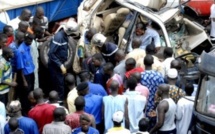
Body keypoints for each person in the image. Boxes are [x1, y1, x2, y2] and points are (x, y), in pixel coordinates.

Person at [48, 21, 78, 100]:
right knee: (59, 85)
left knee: (61, 84)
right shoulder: (59, 37)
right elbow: (51, 54)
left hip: (61, 63)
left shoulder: (65, 36)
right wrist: (60, 65)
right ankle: (59, 102)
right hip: (55, 66)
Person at [140, 54, 164, 129]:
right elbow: (162, 90)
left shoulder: (140, 76)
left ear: (144, 63)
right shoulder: (159, 76)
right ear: (153, 63)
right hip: (155, 107)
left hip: (143, 107)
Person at [16, 32, 35, 114]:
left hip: (31, 72)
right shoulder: (20, 51)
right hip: (25, 76)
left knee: (31, 92)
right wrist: (24, 81)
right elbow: (20, 68)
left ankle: (30, 107)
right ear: (25, 39)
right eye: (29, 40)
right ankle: (25, 111)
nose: (31, 42)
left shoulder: (28, 46)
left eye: (31, 40)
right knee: (25, 94)